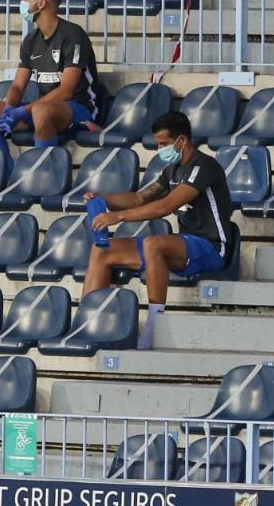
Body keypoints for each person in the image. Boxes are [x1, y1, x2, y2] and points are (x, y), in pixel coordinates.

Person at [82, 112, 235, 350]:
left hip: (211, 247)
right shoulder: (171, 171)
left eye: (164, 143)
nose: (160, 149)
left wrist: (118, 216)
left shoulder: (204, 166)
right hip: (182, 245)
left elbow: (166, 206)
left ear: (182, 141)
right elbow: (138, 198)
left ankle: (154, 326)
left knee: (153, 243)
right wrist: (104, 199)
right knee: (102, 250)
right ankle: (88, 322)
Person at [0, 0, 106, 180]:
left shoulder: (73, 35)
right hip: (43, 109)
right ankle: (7, 173)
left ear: (40, 3)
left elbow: (67, 90)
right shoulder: (31, 40)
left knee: (40, 111)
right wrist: (9, 109)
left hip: (80, 108)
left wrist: (24, 110)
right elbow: (17, 86)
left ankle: (43, 175)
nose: (22, 3)